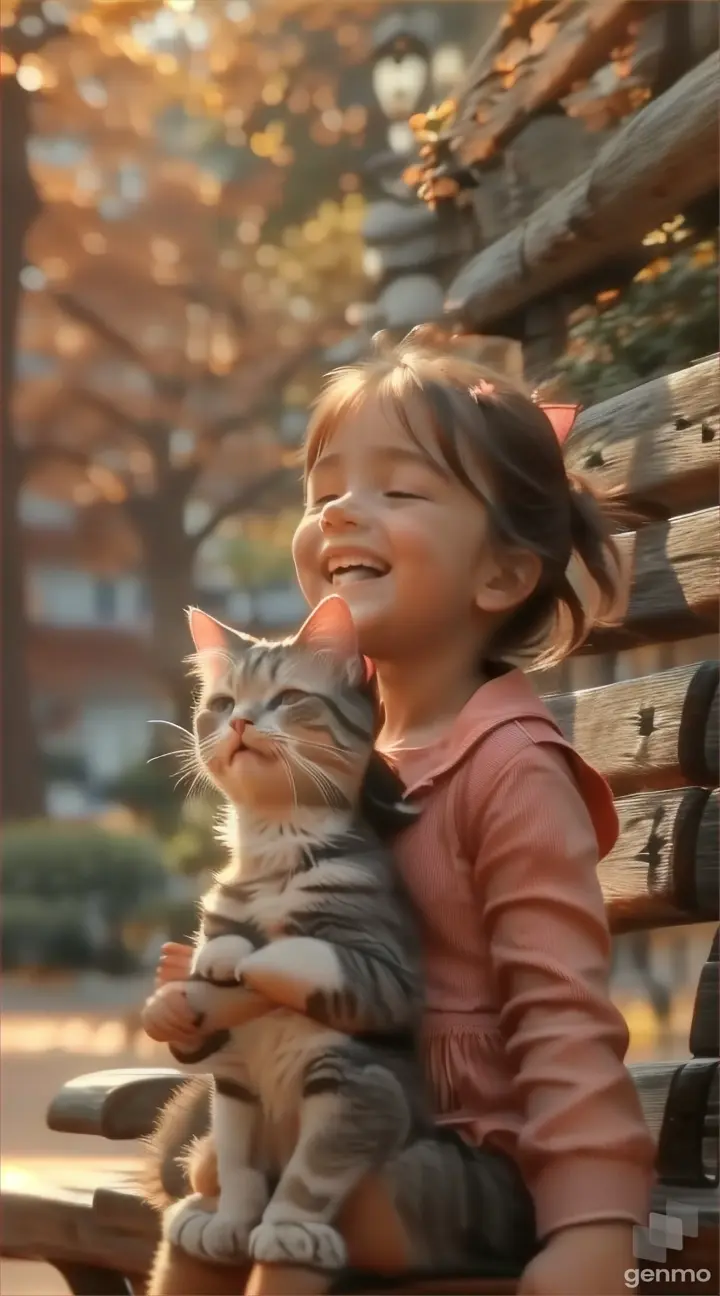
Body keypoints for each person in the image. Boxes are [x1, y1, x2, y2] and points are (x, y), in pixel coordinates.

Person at [144, 327, 656, 1296]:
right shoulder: (338, 755)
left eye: (398, 490)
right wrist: (208, 1006)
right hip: (336, 1106)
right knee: (216, 1192)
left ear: (501, 575)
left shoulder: (511, 769)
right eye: (324, 488)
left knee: (307, 1196)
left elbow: (564, 1022)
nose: (340, 511)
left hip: (469, 1163)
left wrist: (593, 1228)